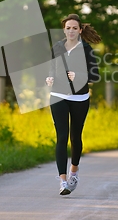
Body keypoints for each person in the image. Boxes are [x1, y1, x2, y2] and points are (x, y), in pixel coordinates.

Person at [45, 14, 101, 195]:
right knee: (62, 137)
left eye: (74, 28)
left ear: (80, 30)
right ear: (64, 29)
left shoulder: (86, 49)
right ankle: (62, 181)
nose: (71, 31)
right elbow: (51, 68)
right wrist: (49, 77)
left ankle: (74, 173)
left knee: (75, 138)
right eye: (68, 28)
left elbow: (95, 76)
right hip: (58, 96)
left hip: (79, 98)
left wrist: (81, 76)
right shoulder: (57, 47)